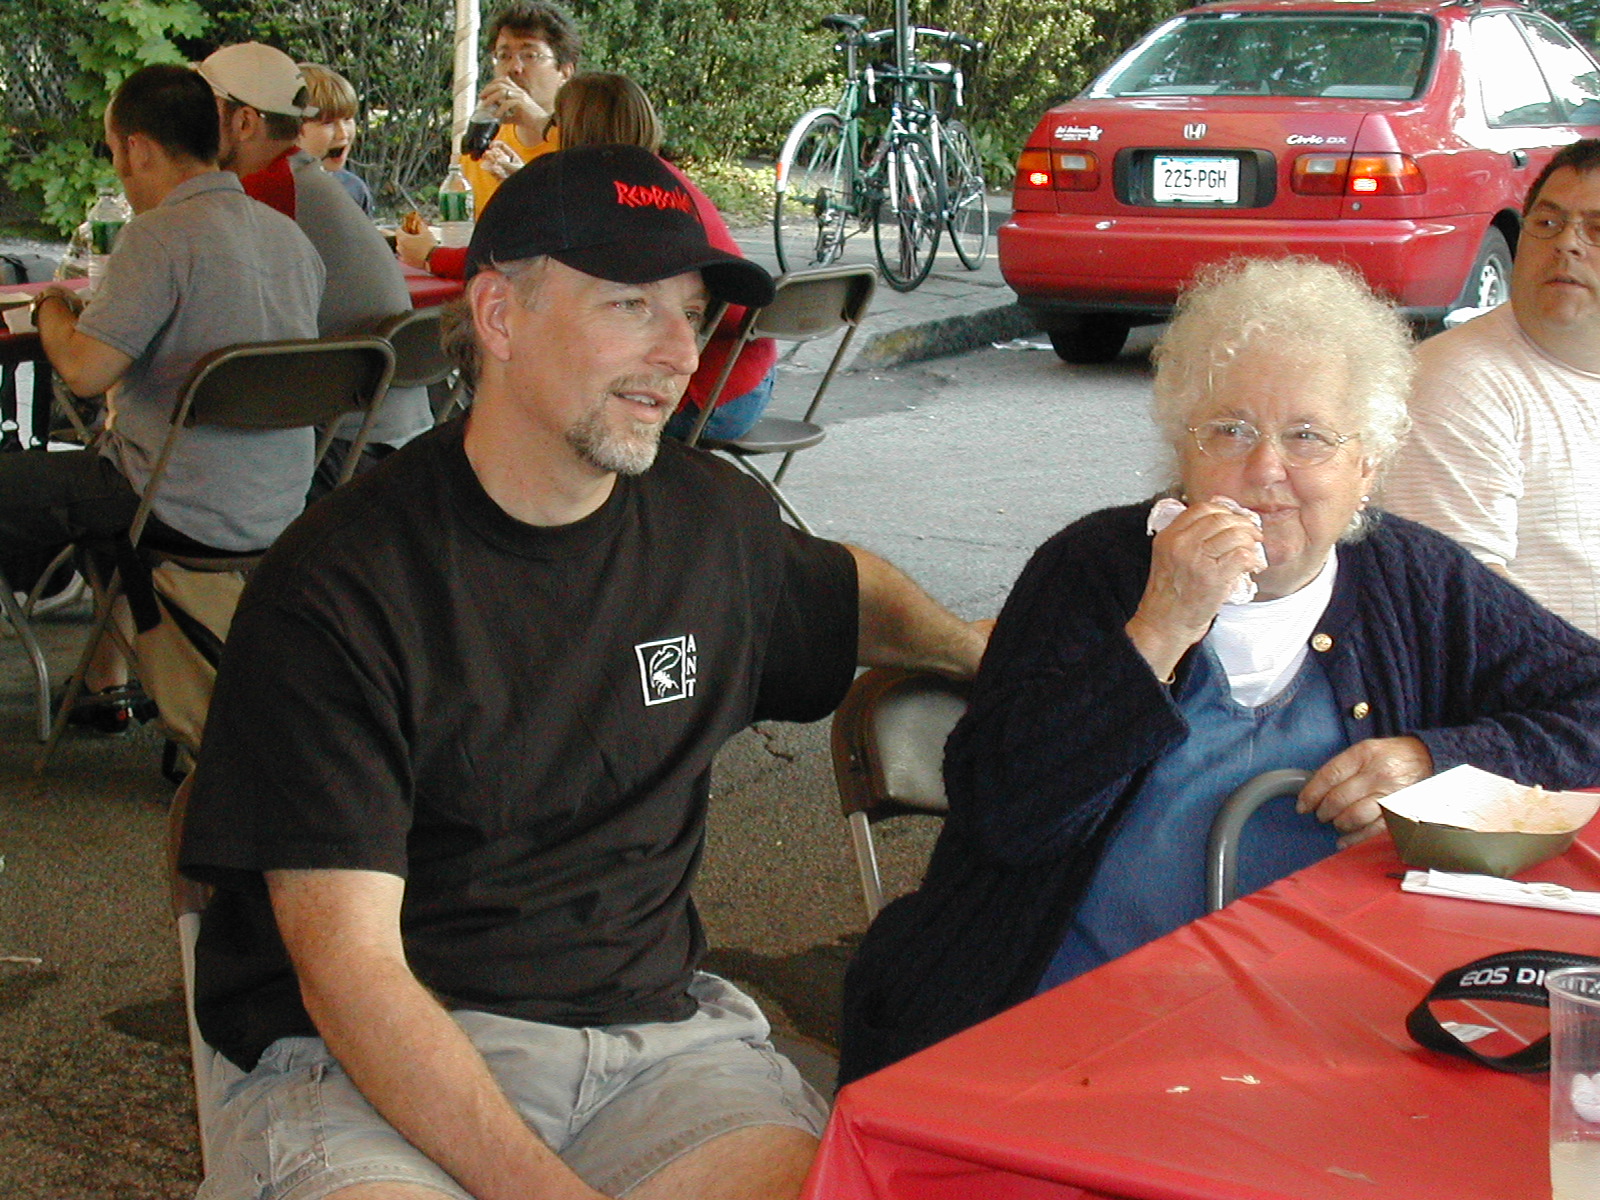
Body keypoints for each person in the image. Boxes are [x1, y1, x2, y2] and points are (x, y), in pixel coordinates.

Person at [179, 144, 988, 1200]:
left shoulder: (710, 525)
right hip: (364, 1064)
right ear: (499, 316)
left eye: (690, 312)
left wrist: (975, 649)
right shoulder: (341, 587)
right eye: (630, 305)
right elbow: (350, 973)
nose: (679, 352)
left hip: (652, 1052)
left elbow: (846, 592)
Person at [837, 256, 1600, 1085]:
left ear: (1368, 465)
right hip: (1066, 1022)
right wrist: (1158, 629)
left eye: (1308, 436)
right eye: (1230, 430)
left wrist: (1435, 761)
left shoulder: (1415, 581)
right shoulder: (1092, 570)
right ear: (1184, 448)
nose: (1267, 469)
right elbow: (1002, 816)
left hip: (1325, 1029)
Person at [8, 63, 323, 720]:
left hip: (172, 504)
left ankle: (102, 671)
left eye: (113, 151)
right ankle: (108, 679)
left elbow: (84, 373)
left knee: (71, 487)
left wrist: (51, 310)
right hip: (277, 505)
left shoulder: (156, 236)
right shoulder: (290, 239)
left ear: (137, 149)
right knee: (99, 485)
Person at [400, 71, 779, 441]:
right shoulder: (660, 180)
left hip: (711, 397)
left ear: (569, 129)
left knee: (532, 400)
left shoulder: (612, 198)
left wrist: (430, 255)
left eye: (555, 123)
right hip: (749, 376)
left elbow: (509, 259)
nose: (549, 133)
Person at [1383, 139, 1600, 637]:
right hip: (1548, 677)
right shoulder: (1459, 382)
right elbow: (1461, 607)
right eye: (1548, 223)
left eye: (1598, 229)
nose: (1567, 243)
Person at [199, 42, 431, 489]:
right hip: (381, 430)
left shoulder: (268, 191)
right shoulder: (296, 179)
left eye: (204, 108)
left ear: (244, 122)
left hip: (345, 445)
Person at [459, 0, 579, 211]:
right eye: (504, 56)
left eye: (530, 56)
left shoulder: (583, 141)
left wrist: (538, 120)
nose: (514, 68)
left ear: (565, 71)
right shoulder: (484, 143)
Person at [296, 62, 374, 214]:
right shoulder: (267, 193)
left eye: (347, 119)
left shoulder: (353, 189)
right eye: (328, 123)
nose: (343, 134)